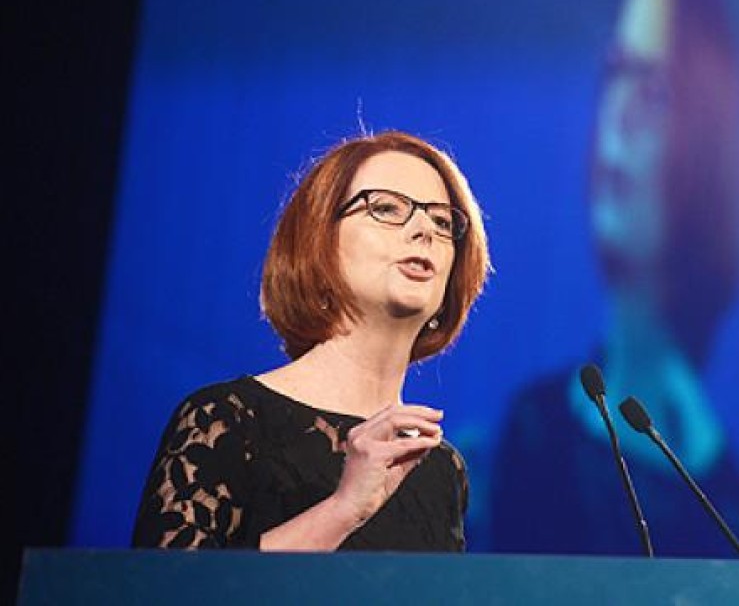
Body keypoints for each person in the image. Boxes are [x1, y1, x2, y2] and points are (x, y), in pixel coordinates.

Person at [490, 0, 739, 557]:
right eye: (616, 75)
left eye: (656, 91)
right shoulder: (537, 432)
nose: (619, 117)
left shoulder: (733, 512)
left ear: (707, 137)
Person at [132, 130, 490, 551]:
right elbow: (164, 594)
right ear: (319, 239)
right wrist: (343, 509)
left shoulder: (441, 469)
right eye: (387, 208)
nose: (422, 230)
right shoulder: (224, 421)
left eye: (443, 221)